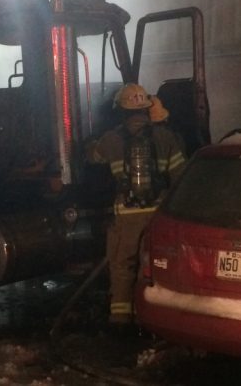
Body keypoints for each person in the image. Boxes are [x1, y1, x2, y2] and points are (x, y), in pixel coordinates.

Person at [88, 83, 186, 328]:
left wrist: (91, 142)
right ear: (146, 108)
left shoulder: (111, 139)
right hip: (157, 215)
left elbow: (92, 157)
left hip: (127, 216)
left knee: (122, 267)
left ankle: (120, 320)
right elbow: (180, 178)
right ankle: (155, 319)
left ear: (121, 111)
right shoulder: (165, 137)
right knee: (154, 266)